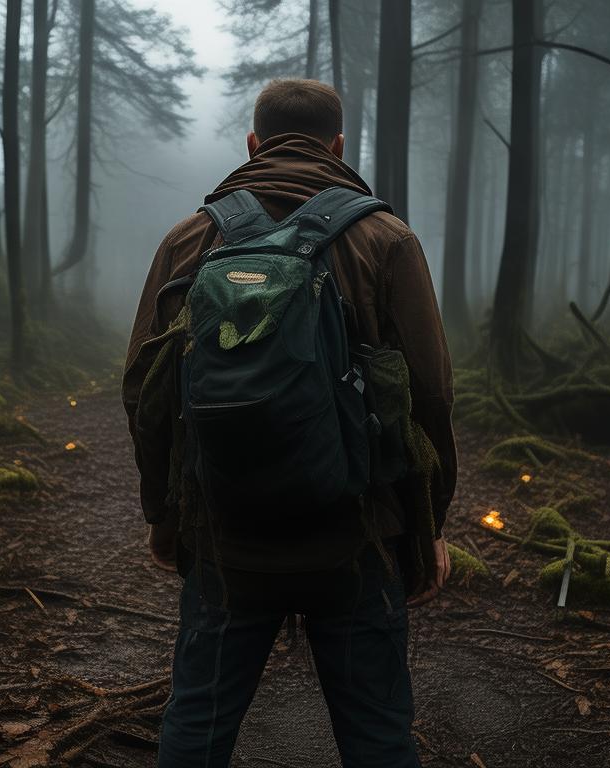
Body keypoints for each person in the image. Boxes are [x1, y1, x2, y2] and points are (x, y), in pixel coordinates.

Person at [122, 78, 457, 768]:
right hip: (359, 536)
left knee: (197, 725)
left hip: (223, 535)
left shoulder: (191, 238)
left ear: (253, 143)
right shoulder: (386, 239)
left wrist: (165, 515)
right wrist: (428, 531)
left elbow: (145, 392)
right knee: (378, 736)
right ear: (339, 145)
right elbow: (431, 397)